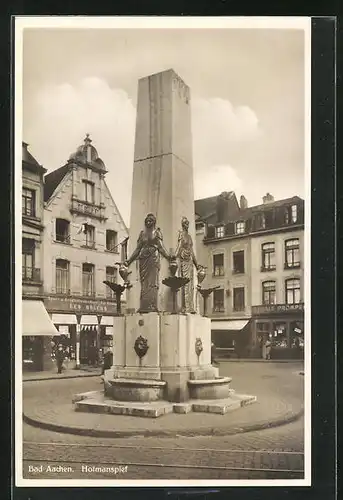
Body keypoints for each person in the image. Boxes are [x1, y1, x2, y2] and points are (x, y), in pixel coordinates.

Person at [123, 213, 172, 312]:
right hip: (143, 260)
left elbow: (161, 248)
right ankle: (144, 305)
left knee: (153, 282)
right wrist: (129, 261)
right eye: (147, 221)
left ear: (154, 222)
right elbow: (137, 250)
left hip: (153, 259)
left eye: (150, 221)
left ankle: (153, 305)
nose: (148, 222)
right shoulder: (142, 234)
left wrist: (168, 257)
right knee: (144, 283)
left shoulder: (157, 233)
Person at [175, 216, 200, 313]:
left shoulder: (189, 237)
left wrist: (196, 264)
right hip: (183, 261)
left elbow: (192, 251)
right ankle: (185, 306)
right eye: (185, 223)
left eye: (188, 223)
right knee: (185, 283)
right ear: (182, 225)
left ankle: (190, 306)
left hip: (189, 261)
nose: (187, 225)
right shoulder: (181, 235)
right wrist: (174, 256)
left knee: (190, 284)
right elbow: (179, 246)